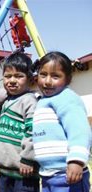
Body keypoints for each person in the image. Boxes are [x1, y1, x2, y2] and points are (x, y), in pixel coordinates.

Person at [32, 51, 92, 192]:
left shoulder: (67, 99)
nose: (47, 81)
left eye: (55, 76)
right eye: (43, 74)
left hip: (68, 175)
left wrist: (76, 161)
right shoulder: (42, 101)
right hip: (48, 175)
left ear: (68, 79)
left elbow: (79, 131)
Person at [0, 52, 40, 192]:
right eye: (7, 76)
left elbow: (33, 131)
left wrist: (28, 159)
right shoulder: (6, 99)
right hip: (4, 170)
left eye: (19, 76)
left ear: (30, 79)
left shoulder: (29, 101)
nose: (12, 80)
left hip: (24, 171)